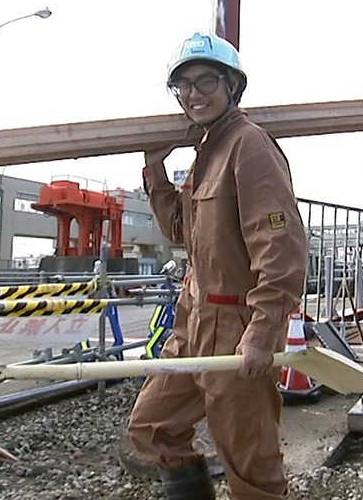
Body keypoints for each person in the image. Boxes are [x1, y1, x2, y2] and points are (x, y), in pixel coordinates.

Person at [127, 32, 309, 499]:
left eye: (205, 80)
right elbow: (179, 232)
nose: (193, 94)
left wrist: (264, 331)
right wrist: (156, 171)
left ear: (233, 86)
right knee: (153, 426)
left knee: (250, 464)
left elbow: (280, 245)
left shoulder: (249, 145)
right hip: (193, 323)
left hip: (235, 324)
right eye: (183, 86)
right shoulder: (205, 153)